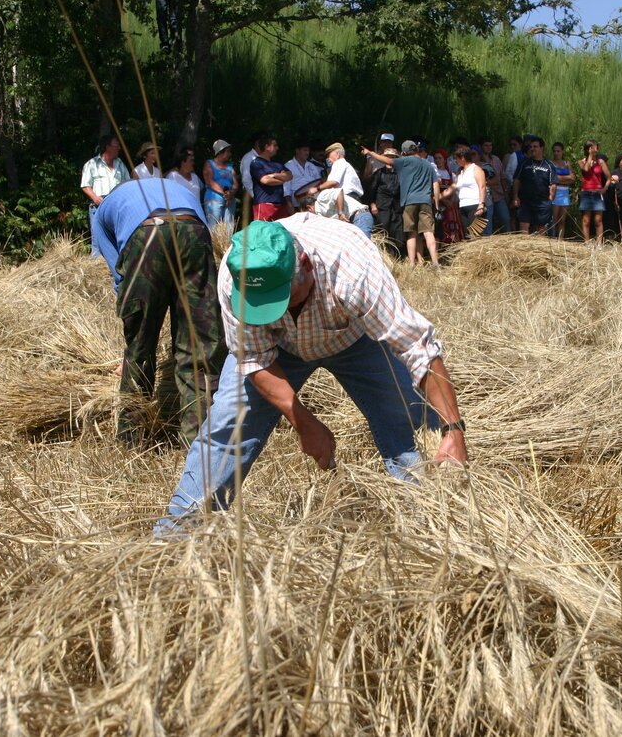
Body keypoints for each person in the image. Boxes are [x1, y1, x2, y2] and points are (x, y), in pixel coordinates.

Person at [153, 216, 468, 534]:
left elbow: (417, 346)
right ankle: (179, 533)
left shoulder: (350, 264)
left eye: (283, 299)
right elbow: (252, 358)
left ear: (304, 263)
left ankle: (431, 515)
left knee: (407, 415)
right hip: (275, 349)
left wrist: (453, 429)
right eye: (262, 306)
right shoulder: (235, 277)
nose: (279, 313)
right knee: (227, 426)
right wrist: (303, 422)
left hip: (355, 338)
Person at [91, 178, 228, 446]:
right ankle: (199, 440)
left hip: (147, 235)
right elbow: (204, 234)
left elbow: (120, 278)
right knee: (199, 344)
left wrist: (136, 333)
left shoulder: (103, 211)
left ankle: (132, 437)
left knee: (141, 348)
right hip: (193, 231)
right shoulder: (177, 188)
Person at [364, 140, 442, 266]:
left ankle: (411, 264)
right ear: (416, 149)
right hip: (426, 201)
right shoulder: (428, 165)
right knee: (428, 233)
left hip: (409, 202)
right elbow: (436, 185)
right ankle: (435, 262)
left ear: (404, 152)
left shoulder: (405, 161)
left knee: (411, 233)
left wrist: (370, 153)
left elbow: (387, 161)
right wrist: (437, 205)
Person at [80, 133, 130, 257]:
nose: (119, 148)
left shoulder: (120, 164)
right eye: (116, 145)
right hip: (99, 206)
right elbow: (85, 185)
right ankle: (96, 270)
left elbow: (127, 184)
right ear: (107, 147)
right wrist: (96, 198)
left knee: (117, 237)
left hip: (117, 207)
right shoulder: (92, 164)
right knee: (98, 240)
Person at [512, 137, 558, 236]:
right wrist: (515, 196)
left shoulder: (549, 165)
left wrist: (550, 198)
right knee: (523, 227)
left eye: (535, 146)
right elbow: (516, 180)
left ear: (542, 148)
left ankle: (540, 250)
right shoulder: (524, 163)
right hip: (525, 202)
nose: (532, 148)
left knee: (541, 230)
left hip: (542, 203)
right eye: (531, 146)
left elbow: (553, 184)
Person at [369, 148, 406, 257]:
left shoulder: (401, 173)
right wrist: (372, 204)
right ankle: (384, 255)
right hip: (382, 206)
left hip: (397, 207)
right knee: (383, 229)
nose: (389, 158)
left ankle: (398, 257)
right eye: (387, 156)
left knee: (398, 232)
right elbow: (372, 190)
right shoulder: (379, 173)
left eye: (392, 157)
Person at [298, 188, 374, 238]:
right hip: (353, 221)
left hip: (360, 216)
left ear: (309, 207)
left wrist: (340, 212)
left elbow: (338, 192)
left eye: (307, 214)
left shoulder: (321, 197)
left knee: (363, 247)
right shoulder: (321, 216)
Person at [248, 135, 292, 222]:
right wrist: (282, 179)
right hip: (264, 204)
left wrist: (273, 175)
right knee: (263, 232)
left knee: (280, 231)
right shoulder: (256, 163)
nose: (277, 148)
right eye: (275, 145)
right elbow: (265, 180)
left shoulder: (277, 163)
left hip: (281, 204)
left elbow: (289, 175)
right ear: (267, 147)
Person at [578, 140, 610, 244]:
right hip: (586, 192)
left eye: (596, 147)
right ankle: (587, 243)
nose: (595, 149)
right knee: (586, 220)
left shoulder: (601, 162)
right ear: (588, 149)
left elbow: (609, 177)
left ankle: (599, 243)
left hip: (597, 193)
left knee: (598, 220)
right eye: (593, 147)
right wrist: (590, 157)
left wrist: (604, 189)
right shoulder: (581, 161)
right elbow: (586, 169)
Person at [203, 139, 239, 227]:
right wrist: (225, 194)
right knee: (213, 226)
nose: (230, 154)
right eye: (227, 151)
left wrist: (231, 193)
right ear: (220, 152)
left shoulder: (230, 166)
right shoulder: (209, 164)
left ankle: (227, 241)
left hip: (230, 199)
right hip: (214, 199)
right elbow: (210, 181)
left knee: (229, 228)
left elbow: (235, 184)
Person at [453, 148, 487, 237]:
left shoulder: (476, 169)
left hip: (474, 204)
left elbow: (482, 187)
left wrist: (481, 204)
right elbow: (454, 188)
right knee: (467, 234)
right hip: (463, 205)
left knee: (475, 234)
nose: (456, 161)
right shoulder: (460, 172)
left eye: (457, 158)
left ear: (463, 158)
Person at [433, 148, 464, 244]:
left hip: (451, 204)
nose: (437, 160)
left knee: (452, 225)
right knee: (440, 225)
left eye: (440, 158)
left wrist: (451, 201)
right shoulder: (434, 173)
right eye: (436, 158)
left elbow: (454, 190)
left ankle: (453, 245)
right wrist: (444, 201)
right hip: (439, 203)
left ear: (444, 160)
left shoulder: (450, 174)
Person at [479, 138, 509, 235]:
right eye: (486, 145)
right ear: (481, 147)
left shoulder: (496, 159)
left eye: (490, 145)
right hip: (486, 197)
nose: (488, 147)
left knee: (506, 219)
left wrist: (505, 191)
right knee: (487, 223)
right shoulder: (478, 161)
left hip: (498, 195)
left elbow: (502, 177)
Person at [283, 140, 323, 212]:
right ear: (297, 150)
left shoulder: (312, 166)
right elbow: (286, 188)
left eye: (308, 150)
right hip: (297, 202)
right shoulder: (288, 166)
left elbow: (319, 182)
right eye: (304, 150)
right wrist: (289, 203)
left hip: (314, 200)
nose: (307, 153)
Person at [549, 142, 574, 239]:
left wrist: (560, 178)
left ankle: (561, 240)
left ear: (562, 152)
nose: (556, 153)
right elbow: (553, 178)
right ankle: (552, 239)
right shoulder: (551, 163)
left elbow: (573, 178)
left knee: (562, 220)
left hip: (565, 192)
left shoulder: (567, 163)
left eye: (558, 151)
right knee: (554, 219)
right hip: (555, 191)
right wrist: (566, 178)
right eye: (554, 151)